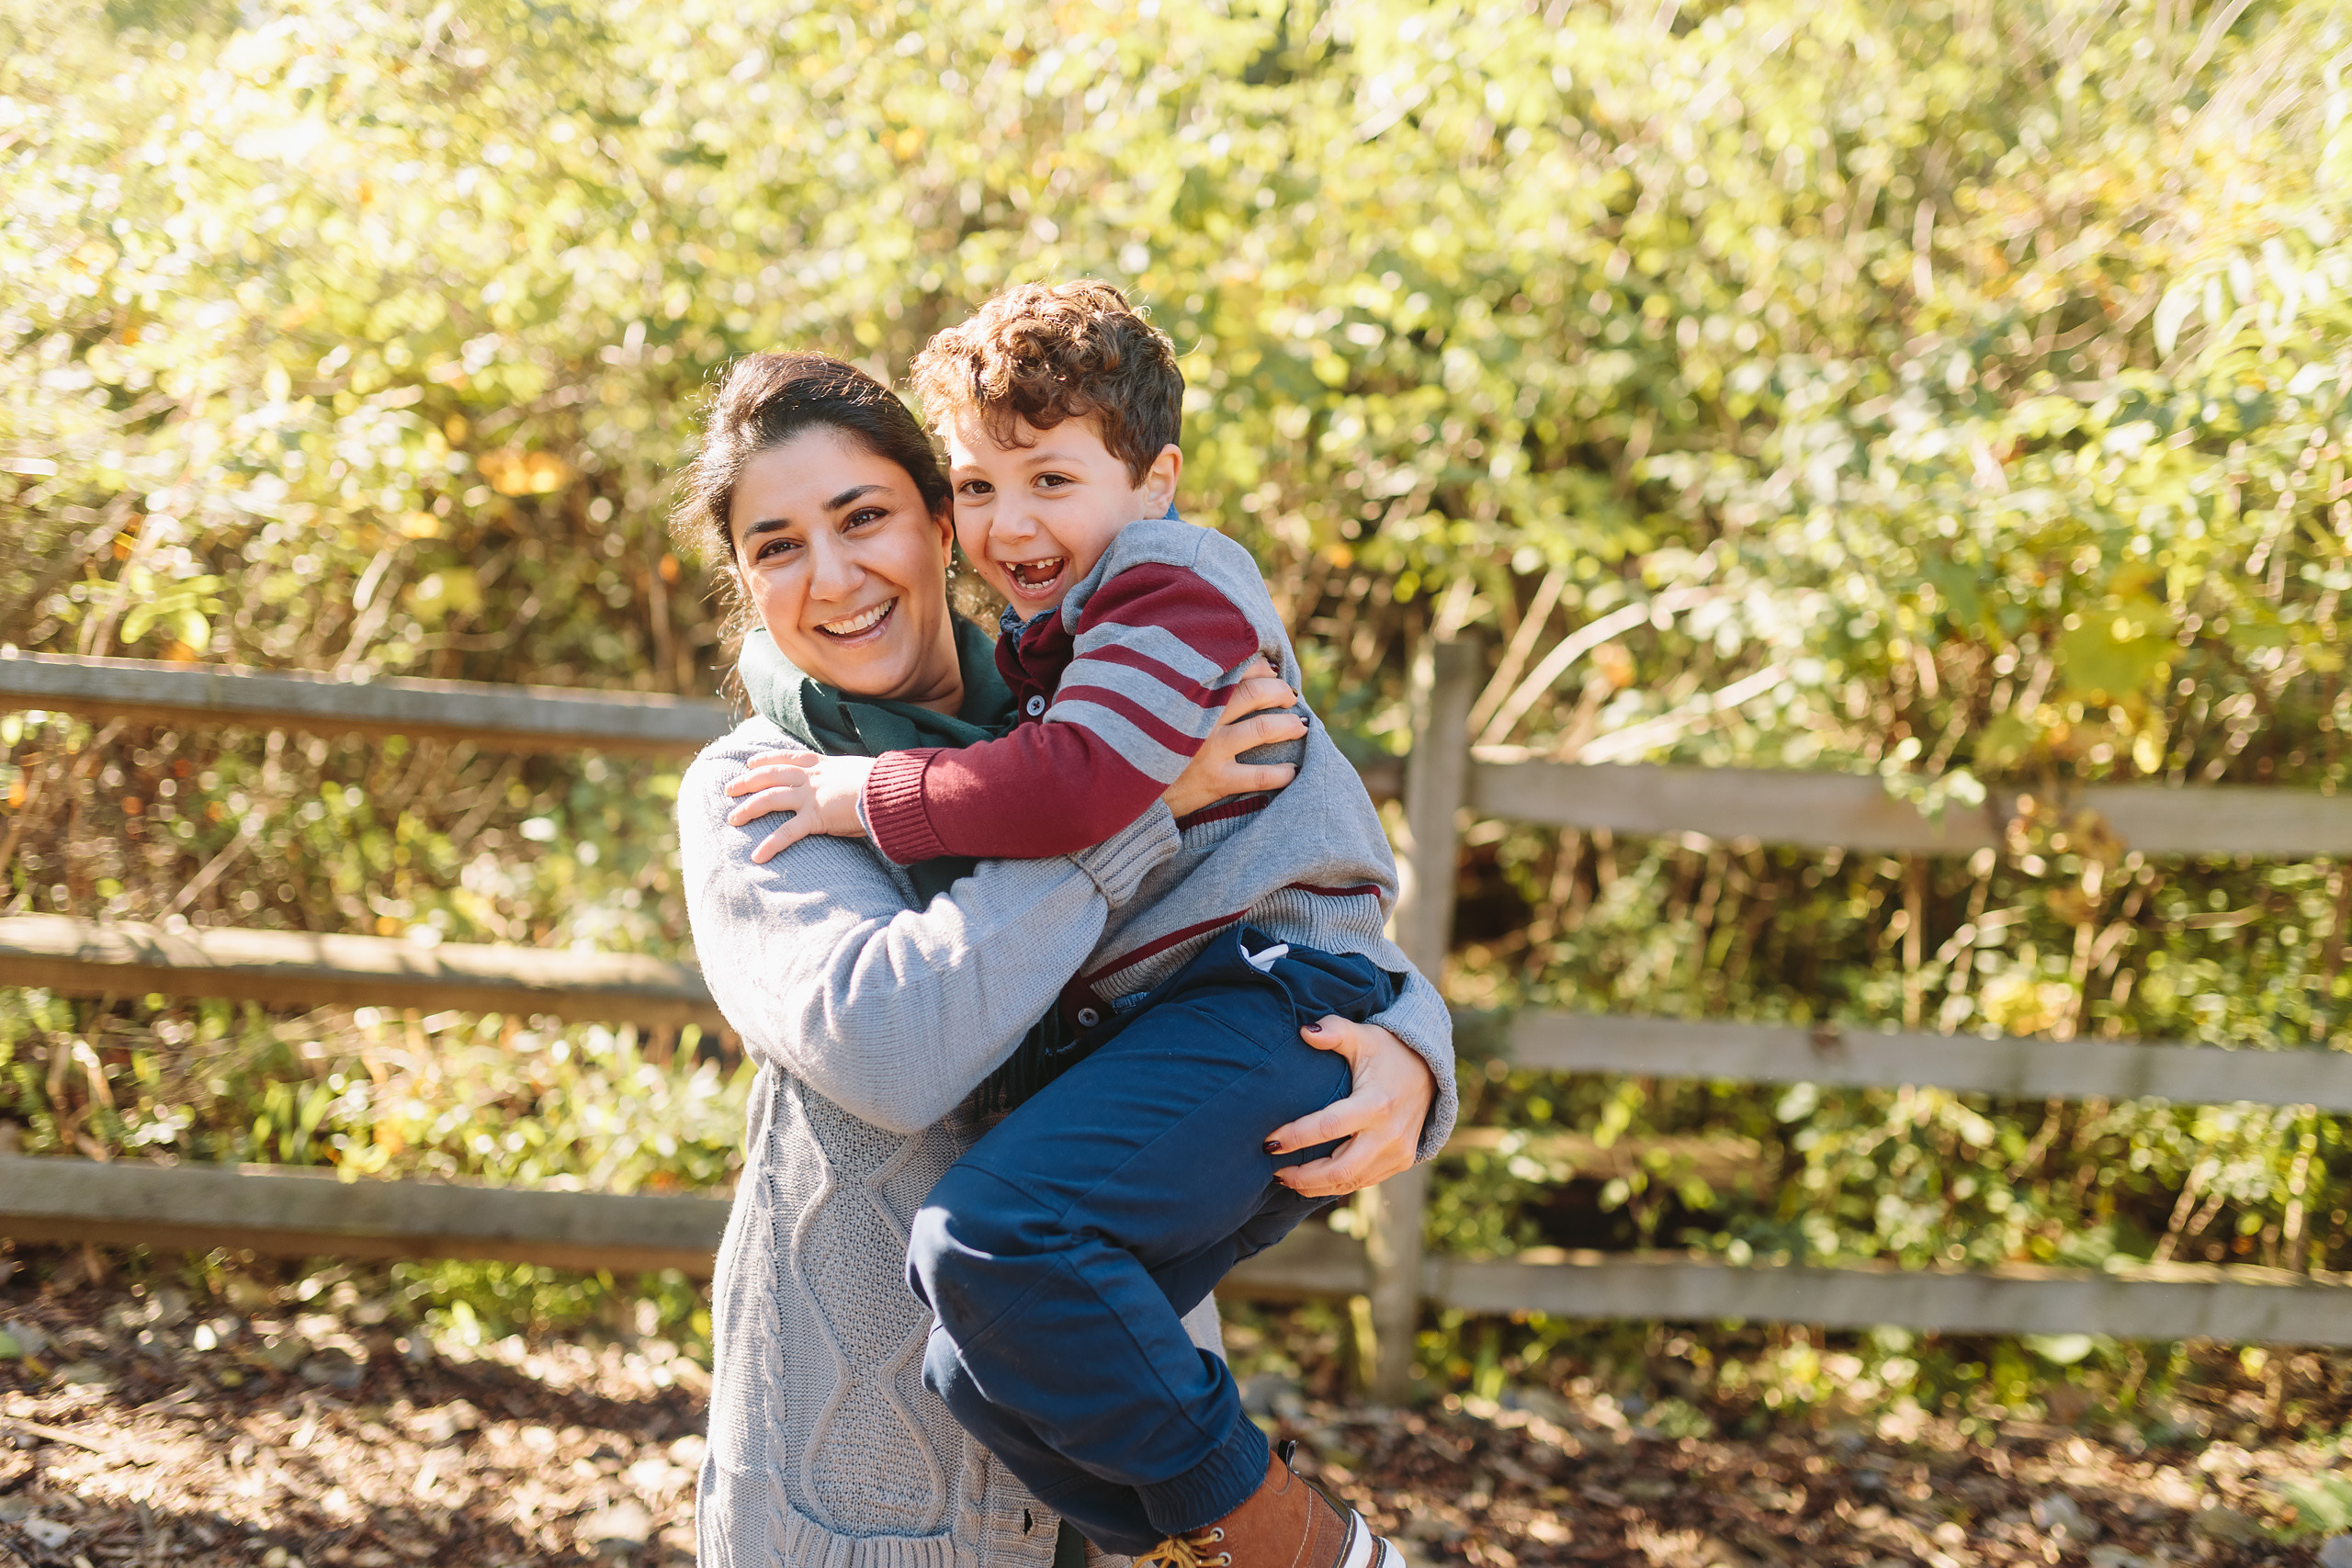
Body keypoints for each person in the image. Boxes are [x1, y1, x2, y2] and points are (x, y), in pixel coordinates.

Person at [673, 350, 1454, 1568]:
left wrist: (1412, 1048)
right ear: (742, 579)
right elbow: (889, 1049)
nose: (832, 576)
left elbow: (1294, 866)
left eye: (864, 517)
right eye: (776, 546)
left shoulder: (1096, 706)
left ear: (944, 521)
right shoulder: (762, 791)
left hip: (1115, 1472)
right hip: (874, 1497)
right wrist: (1137, 821)